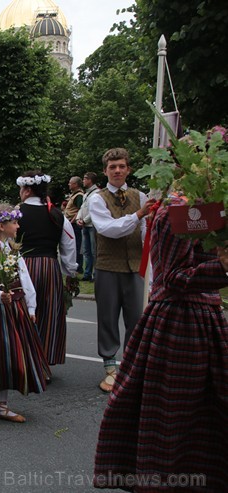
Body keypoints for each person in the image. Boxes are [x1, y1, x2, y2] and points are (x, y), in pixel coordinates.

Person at [94, 199, 228, 491]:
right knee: (172, 417)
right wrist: (221, 268)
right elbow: (173, 277)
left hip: (208, 321)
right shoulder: (174, 214)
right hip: (178, 322)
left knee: (208, 413)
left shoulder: (219, 209)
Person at [0, 204, 48, 426]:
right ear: (2, 225)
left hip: (15, 309)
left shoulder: (13, 251)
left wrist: (30, 307)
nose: (18, 226)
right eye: (14, 222)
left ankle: (1, 405)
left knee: (11, 356)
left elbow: (25, 280)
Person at [88, 148, 155, 392]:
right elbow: (109, 229)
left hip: (136, 266)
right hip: (108, 266)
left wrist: (151, 267)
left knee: (137, 318)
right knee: (108, 317)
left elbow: (148, 232)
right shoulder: (97, 198)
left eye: (121, 166)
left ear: (128, 169)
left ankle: (131, 365)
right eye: (112, 167)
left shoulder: (142, 196)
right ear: (106, 171)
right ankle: (110, 367)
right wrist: (138, 215)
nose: (117, 170)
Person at [16, 171, 77, 371]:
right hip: (50, 267)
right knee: (48, 314)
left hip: (24, 265)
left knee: (24, 313)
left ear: (26, 190)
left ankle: (24, 360)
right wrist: (70, 272)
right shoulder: (57, 215)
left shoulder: (16, 213)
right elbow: (69, 246)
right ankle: (44, 363)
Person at [76, 172, 99, 281]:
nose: (83, 181)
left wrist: (84, 220)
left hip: (92, 225)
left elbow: (95, 211)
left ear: (90, 180)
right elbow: (82, 208)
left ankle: (95, 274)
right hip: (85, 225)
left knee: (94, 251)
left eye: (85, 179)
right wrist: (78, 219)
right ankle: (87, 273)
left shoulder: (97, 193)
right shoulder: (86, 194)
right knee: (86, 251)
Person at [64, 176, 85, 273]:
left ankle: (78, 266)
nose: (68, 184)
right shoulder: (74, 195)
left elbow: (80, 209)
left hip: (74, 224)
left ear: (75, 184)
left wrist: (72, 220)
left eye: (70, 182)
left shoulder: (79, 195)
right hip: (71, 223)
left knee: (76, 245)